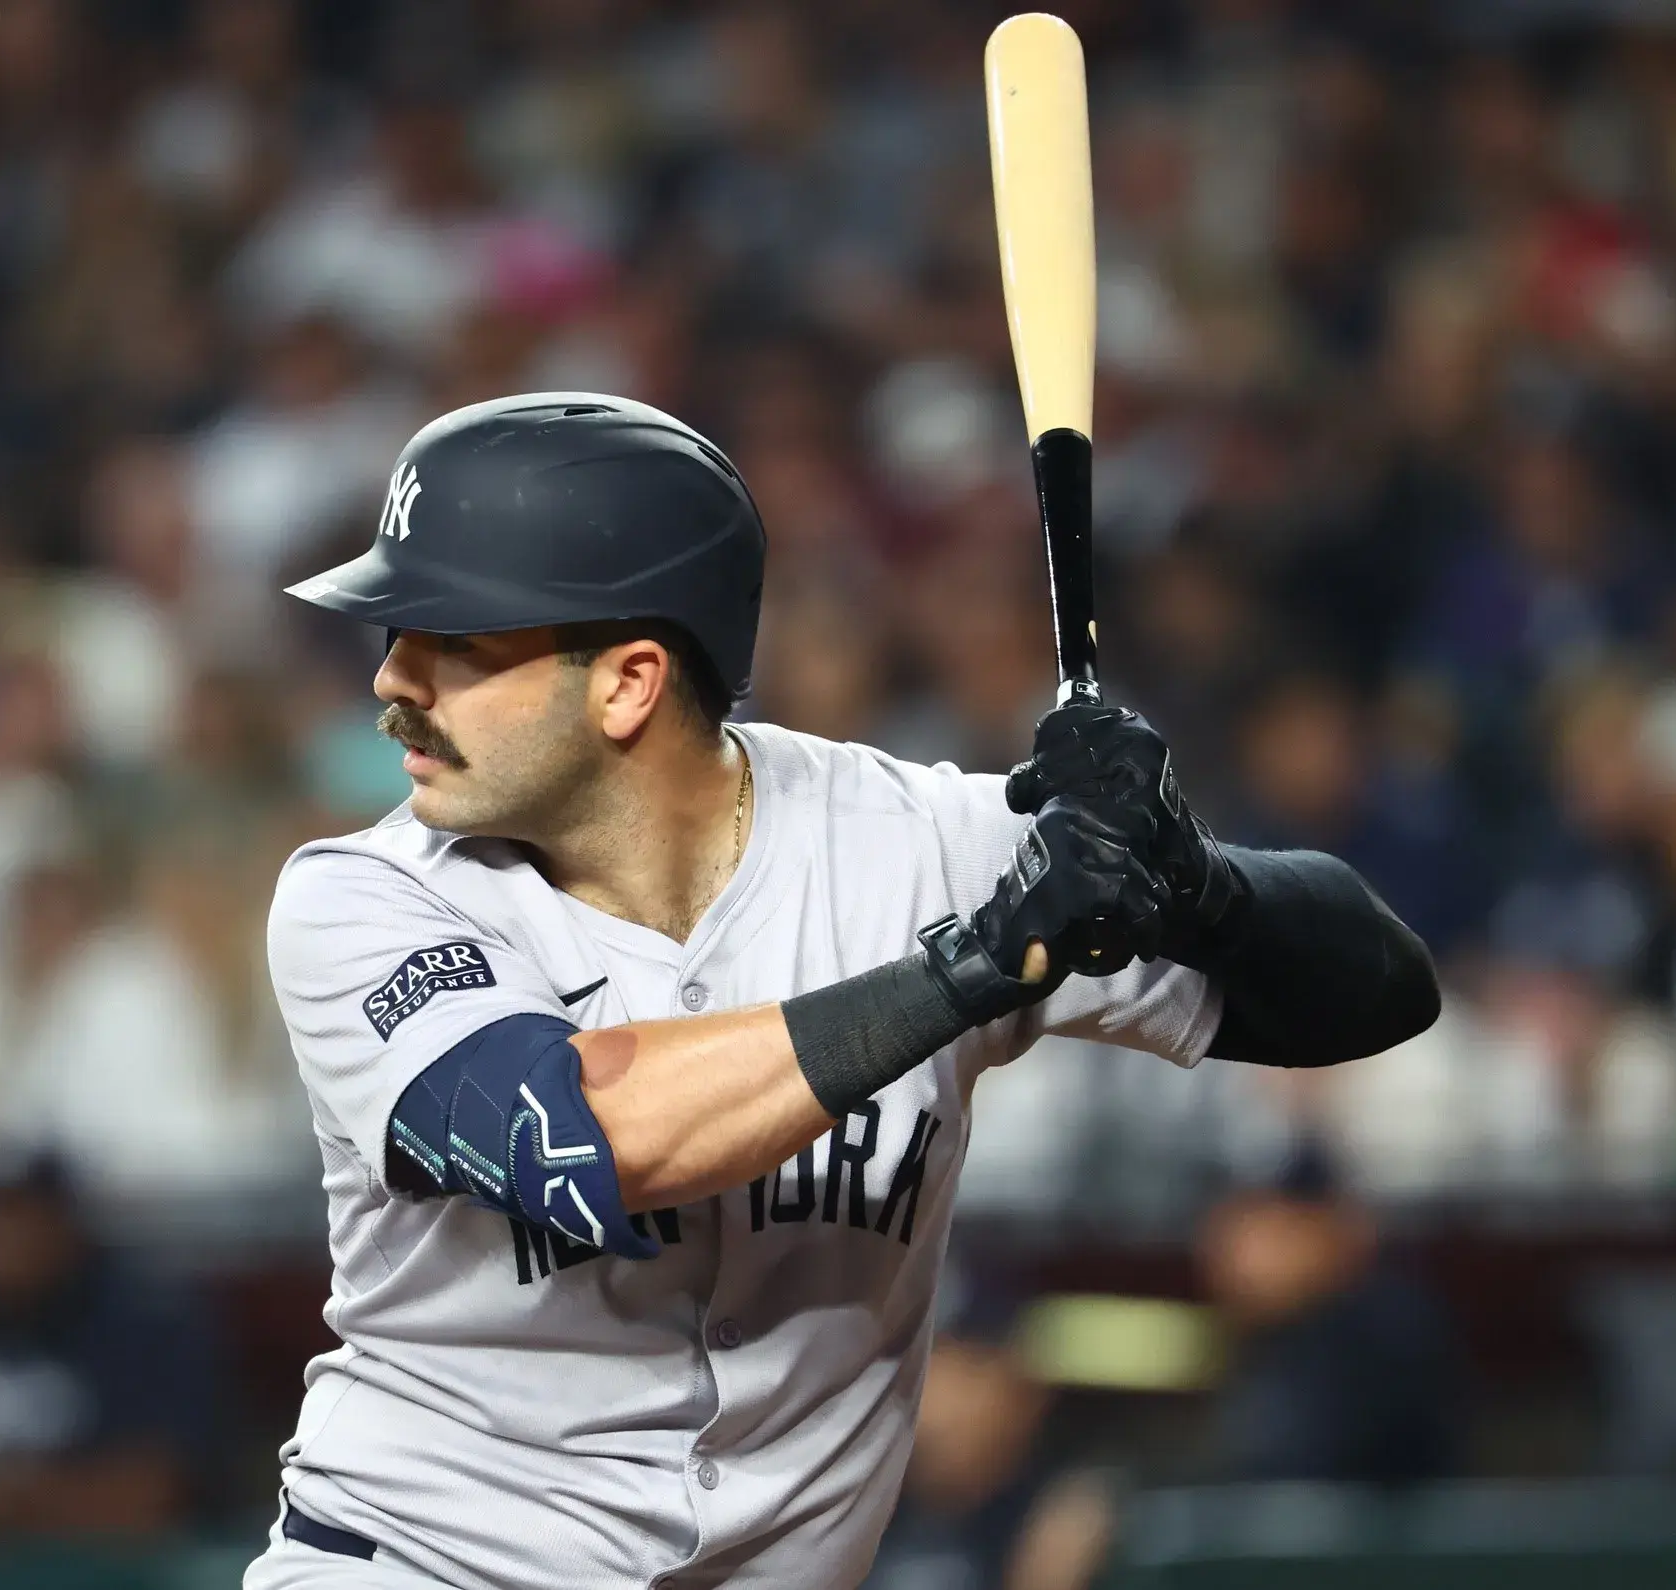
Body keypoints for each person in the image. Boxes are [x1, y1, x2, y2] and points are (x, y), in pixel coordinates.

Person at [250, 393, 1442, 1588]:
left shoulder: (918, 843)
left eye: (450, 642)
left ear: (628, 683)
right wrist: (975, 967)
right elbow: (583, 1134)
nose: (393, 679)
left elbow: (1378, 994)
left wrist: (1192, 881)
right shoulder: (362, 901)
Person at [0, 1157, 224, 1544]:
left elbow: (153, 1499)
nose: (5, 1238)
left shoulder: (148, 1321)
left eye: (24, 1214)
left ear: (66, 1222)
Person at [1199, 1140, 1464, 1485]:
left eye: (1275, 1233)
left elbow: (1308, 1467)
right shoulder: (1275, 1335)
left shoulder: (1385, 1331)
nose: (1240, 1256)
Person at [862, 1265, 1110, 1590]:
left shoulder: (1065, 1521)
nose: (937, 1399)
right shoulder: (856, 1509)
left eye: (967, 1365)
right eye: (914, 1362)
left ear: (1022, 1383)